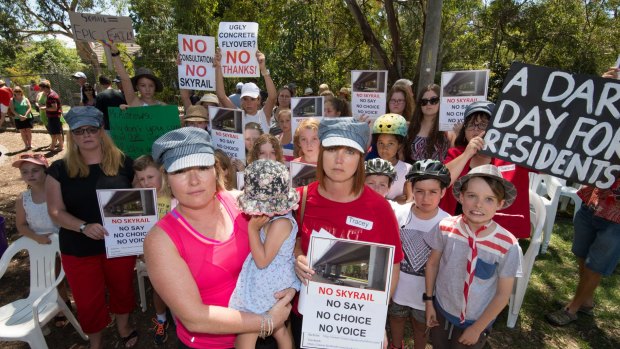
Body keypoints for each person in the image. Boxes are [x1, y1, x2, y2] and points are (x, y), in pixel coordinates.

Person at [144, 127, 294, 349]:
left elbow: (285, 242)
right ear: (167, 178)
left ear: (216, 169)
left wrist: (291, 282)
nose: (194, 180)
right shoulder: (161, 241)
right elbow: (194, 318)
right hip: (215, 344)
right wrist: (267, 321)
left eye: (202, 167)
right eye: (181, 171)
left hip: (266, 336)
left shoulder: (244, 204)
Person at [292, 117, 404, 348]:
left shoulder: (380, 208)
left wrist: (376, 318)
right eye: (332, 149)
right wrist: (296, 258)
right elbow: (292, 243)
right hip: (308, 318)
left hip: (356, 322)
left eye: (350, 152)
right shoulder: (300, 199)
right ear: (322, 152)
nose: (340, 159)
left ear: (361, 157)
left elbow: (392, 265)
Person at [46, 106, 138, 349]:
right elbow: (55, 211)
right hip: (78, 247)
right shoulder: (58, 169)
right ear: (72, 135)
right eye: (79, 131)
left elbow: (142, 198)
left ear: (101, 132)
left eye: (91, 129)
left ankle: (123, 326)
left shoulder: (124, 163)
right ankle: (95, 341)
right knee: (87, 300)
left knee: (122, 289)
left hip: (119, 244)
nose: (86, 135)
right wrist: (83, 226)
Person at [424, 164, 523, 349]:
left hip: (476, 320)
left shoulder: (507, 245)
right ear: (461, 197)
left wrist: (478, 328)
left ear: (500, 204)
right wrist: (429, 301)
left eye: (489, 199)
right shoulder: (445, 227)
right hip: (442, 309)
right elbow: (432, 264)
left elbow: (503, 294)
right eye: (472, 196)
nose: (478, 205)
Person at [230, 159, 300, 349]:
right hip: (268, 278)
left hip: (268, 281)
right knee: (279, 330)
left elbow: (262, 261)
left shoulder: (280, 224)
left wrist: (253, 230)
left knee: (248, 331)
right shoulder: (275, 219)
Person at [440, 101, 531, 239]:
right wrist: (467, 154)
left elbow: (547, 166)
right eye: (471, 125)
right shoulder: (457, 154)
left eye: (483, 125)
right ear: (464, 132)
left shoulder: (514, 156)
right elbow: (441, 181)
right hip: (457, 231)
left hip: (501, 234)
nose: (476, 130)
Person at [389, 160, 451, 349]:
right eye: (420, 191)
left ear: (443, 192)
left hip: (426, 292)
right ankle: (396, 345)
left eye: (433, 192)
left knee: (421, 325)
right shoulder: (398, 213)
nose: (426, 198)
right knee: (396, 318)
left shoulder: (447, 223)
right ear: (411, 189)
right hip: (398, 287)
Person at [545, 178, 620, 326]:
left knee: (595, 265)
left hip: (616, 219)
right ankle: (585, 300)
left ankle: (571, 309)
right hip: (592, 203)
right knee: (581, 253)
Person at [132, 155, 173, 344]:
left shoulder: (174, 195)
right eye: (141, 179)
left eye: (150, 177)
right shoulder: (136, 200)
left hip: (177, 252)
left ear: (162, 174)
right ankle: (161, 318)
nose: (146, 182)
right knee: (158, 287)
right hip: (152, 254)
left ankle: (180, 316)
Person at [214, 48, 276, 133]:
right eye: (245, 99)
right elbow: (221, 96)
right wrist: (218, 67)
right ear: (241, 100)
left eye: (252, 99)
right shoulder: (239, 115)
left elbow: (272, 97)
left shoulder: (263, 115)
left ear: (258, 100)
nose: (248, 102)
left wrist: (263, 69)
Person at [403, 84, 452, 163]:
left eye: (434, 100)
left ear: (441, 102)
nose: (428, 104)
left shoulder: (449, 130)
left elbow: (454, 157)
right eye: (424, 101)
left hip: (439, 174)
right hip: (412, 173)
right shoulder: (408, 127)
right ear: (420, 104)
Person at [371, 113, 411, 202]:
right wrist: (393, 201)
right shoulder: (368, 167)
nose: (384, 148)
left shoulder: (407, 169)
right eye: (380, 143)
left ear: (399, 145)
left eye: (390, 143)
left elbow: (409, 199)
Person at [38, 80, 64, 151]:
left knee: (57, 132)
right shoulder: (50, 94)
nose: (41, 90)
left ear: (45, 88)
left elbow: (54, 108)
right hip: (52, 117)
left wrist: (44, 108)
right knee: (53, 133)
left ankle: (61, 146)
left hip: (54, 117)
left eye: (42, 88)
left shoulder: (51, 96)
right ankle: (52, 147)